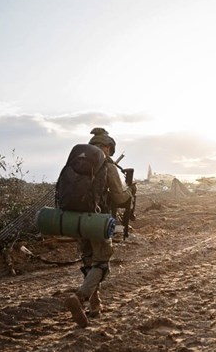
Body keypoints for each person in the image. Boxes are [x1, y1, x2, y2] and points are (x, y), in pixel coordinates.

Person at [64, 128, 135, 328]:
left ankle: (95, 305)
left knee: (88, 262)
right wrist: (130, 190)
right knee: (102, 263)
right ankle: (80, 298)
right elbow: (119, 197)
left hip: (74, 219)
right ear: (107, 147)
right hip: (97, 221)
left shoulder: (76, 163)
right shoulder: (107, 165)